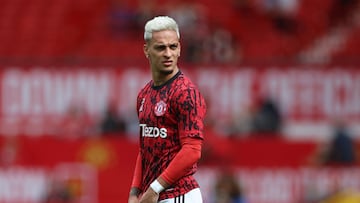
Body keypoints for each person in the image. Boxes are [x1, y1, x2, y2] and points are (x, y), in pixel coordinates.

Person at [128, 16, 207, 203]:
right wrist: (134, 192)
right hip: (153, 195)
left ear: (179, 49)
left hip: (179, 194)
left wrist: (154, 189)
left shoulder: (186, 92)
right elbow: (145, 149)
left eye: (173, 47)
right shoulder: (144, 94)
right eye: (160, 47)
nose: (168, 54)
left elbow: (192, 150)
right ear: (147, 50)